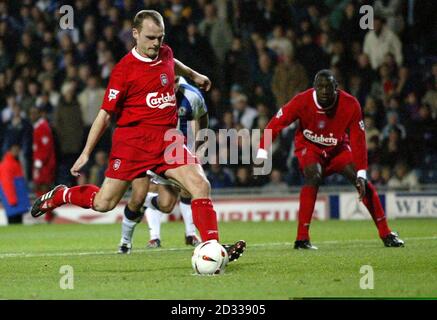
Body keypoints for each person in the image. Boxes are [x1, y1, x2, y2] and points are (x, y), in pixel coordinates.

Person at [31, 10, 245, 262]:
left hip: (168, 141)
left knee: (200, 185)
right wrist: (86, 153)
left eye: (160, 37)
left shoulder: (164, 51)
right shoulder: (123, 71)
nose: (157, 43)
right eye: (151, 37)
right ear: (135, 34)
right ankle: (62, 194)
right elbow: (104, 115)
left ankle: (213, 247)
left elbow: (172, 62)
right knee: (104, 203)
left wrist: (193, 75)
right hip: (132, 145)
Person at [256, 69, 404, 249]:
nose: (325, 91)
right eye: (320, 87)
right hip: (309, 148)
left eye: (329, 87)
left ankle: (386, 234)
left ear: (337, 88)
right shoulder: (301, 101)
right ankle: (302, 239)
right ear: (314, 88)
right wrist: (262, 152)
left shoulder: (351, 104)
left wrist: (362, 172)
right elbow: (275, 124)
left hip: (338, 150)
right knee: (314, 176)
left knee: (361, 182)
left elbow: (358, 139)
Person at [118, 76, 206, 252]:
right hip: (153, 151)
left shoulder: (191, 95)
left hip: (179, 155)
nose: (170, 87)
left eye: (173, 82)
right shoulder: (149, 92)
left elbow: (201, 119)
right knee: (138, 197)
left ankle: (193, 234)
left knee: (170, 202)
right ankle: (126, 241)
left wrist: (198, 147)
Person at [29, 105, 57, 223]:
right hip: (40, 162)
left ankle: (48, 215)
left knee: (44, 187)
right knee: (39, 186)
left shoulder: (43, 127)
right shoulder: (37, 127)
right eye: (30, 113)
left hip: (45, 164)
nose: (32, 115)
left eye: (34, 113)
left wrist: (39, 163)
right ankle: (48, 213)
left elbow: (46, 147)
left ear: (40, 114)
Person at [0, 143, 31, 224]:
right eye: (15, 149)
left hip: (17, 201)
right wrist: (12, 200)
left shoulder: (14, 163)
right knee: (14, 222)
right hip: (14, 202)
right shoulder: (7, 164)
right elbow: (7, 184)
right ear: (9, 150)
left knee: (17, 222)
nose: (17, 152)